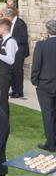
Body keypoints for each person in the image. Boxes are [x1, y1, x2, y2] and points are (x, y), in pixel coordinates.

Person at [31, 19, 56, 151]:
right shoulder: (42, 44)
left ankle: (51, 144)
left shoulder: (41, 45)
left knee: (48, 114)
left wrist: (35, 81)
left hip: (45, 84)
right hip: (46, 84)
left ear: (47, 30)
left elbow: (36, 65)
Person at [6, 8, 29, 99]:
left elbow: (23, 38)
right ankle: (14, 90)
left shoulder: (20, 23)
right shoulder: (10, 24)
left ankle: (19, 92)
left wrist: (11, 40)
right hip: (13, 51)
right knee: (12, 71)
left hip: (20, 51)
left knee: (18, 71)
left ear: (10, 16)